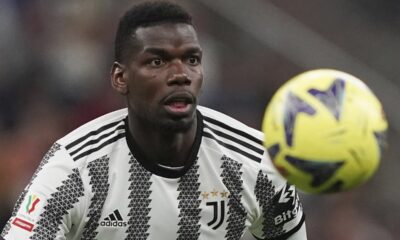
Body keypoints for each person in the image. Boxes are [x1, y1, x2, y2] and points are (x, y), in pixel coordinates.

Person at [0, 1, 307, 239]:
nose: (180, 75)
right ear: (121, 77)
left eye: (191, 59)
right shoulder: (75, 170)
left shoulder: (258, 164)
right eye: (157, 61)